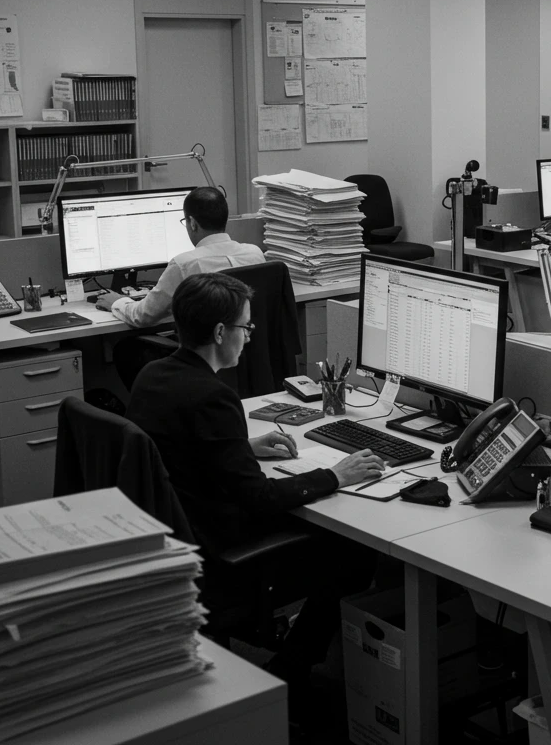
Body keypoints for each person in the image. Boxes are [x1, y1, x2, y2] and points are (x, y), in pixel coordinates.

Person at [125, 272, 386, 697]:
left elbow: (185, 451)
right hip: (219, 545)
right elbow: (260, 499)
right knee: (353, 552)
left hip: (176, 532)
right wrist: (335, 476)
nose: (249, 337)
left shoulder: (153, 374)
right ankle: (289, 673)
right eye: (246, 328)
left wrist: (244, 447)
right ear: (219, 331)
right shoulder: (213, 395)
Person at [96, 186, 264, 328]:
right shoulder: (254, 254)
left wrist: (116, 302)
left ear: (192, 223)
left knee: (124, 349)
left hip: (203, 359)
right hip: (245, 351)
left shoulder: (185, 264)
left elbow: (144, 316)